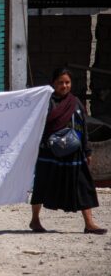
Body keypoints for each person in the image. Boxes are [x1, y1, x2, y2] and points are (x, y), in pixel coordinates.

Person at [29, 68, 107, 235]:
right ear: (53, 83)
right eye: (60, 82)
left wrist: (87, 150)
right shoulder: (46, 102)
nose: (64, 86)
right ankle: (35, 220)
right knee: (41, 185)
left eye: (67, 82)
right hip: (49, 151)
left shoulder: (75, 102)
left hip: (74, 152)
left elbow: (83, 127)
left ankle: (89, 223)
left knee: (83, 185)